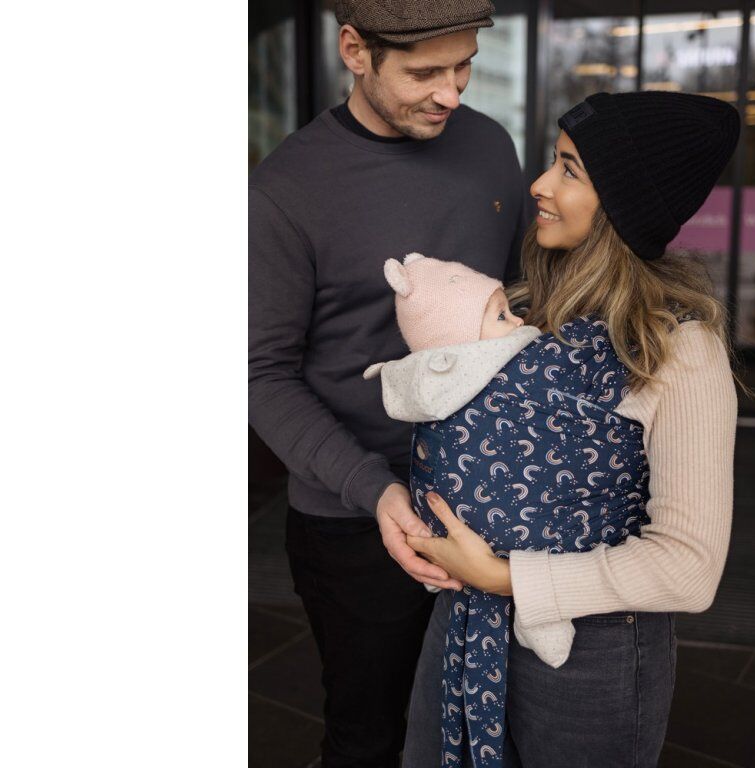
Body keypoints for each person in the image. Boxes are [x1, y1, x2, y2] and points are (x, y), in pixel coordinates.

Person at [398, 90, 741, 768]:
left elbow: (690, 569)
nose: (540, 184)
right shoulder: (525, 307)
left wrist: (505, 578)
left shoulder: (677, 349)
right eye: (554, 161)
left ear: (622, 206)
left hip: (592, 656)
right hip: (467, 619)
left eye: (570, 170)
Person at [247, 0, 531, 764]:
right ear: (354, 50)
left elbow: (517, 304)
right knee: (370, 738)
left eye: (464, 66)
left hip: (489, 499)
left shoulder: (489, 146)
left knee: (481, 730)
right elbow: (260, 375)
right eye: (425, 72)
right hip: (353, 520)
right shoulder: (284, 191)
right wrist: (376, 491)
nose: (451, 92)